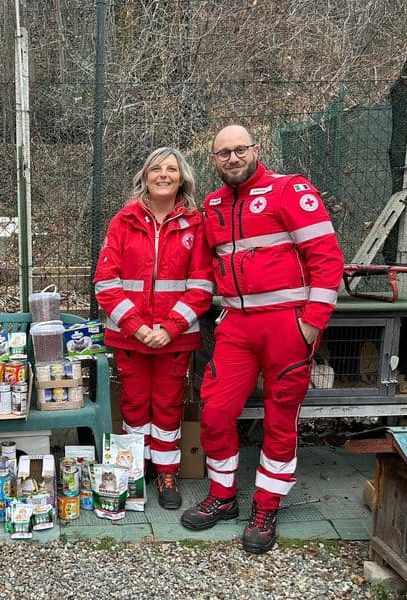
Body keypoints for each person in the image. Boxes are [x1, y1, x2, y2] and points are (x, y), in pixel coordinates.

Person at [180, 125, 344, 554]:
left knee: (279, 418)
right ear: (213, 160)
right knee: (215, 411)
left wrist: (312, 322)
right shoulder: (212, 205)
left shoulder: (289, 190)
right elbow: (203, 265)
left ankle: (266, 506)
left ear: (256, 150)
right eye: (222, 153)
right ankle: (223, 495)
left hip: (286, 325)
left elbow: (327, 259)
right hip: (235, 324)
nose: (232, 159)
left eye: (239, 150)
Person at [94, 147, 214, 509]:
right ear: (145, 177)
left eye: (172, 169)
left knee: (167, 404)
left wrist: (170, 327)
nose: (164, 175)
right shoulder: (124, 220)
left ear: (182, 178)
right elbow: (105, 280)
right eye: (156, 169)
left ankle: (166, 471)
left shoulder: (196, 223)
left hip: (173, 339)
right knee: (133, 403)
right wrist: (136, 326)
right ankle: (136, 470)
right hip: (131, 336)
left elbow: (202, 284)